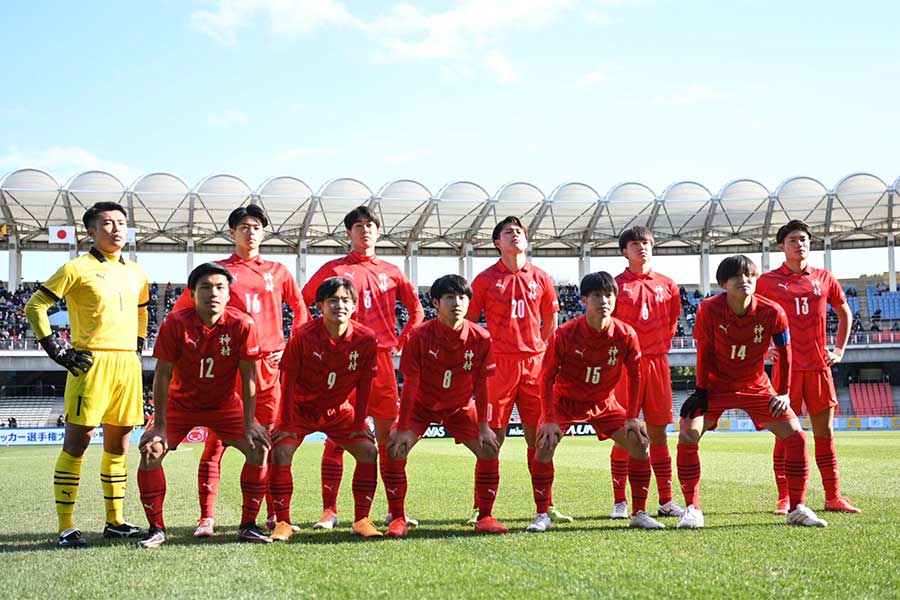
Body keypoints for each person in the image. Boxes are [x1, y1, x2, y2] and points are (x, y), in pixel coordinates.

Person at [172, 204, 308, 536]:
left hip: (269, 371)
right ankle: (206, 517)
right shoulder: (218, 275)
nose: (251, 231)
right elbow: (181, 313)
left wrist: (289, 348)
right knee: (215, 444)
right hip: (228, 370)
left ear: (264, 232)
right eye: (244, 226)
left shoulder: (278, 271)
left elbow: (301, 310)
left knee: (270, 443)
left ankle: (275, 516)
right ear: (232, 233)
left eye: (256, 226)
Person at [25, 201, 150, 547]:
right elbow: (34, 305)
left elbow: (142, 311)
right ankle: (66, 526)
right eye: (107, 223)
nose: (116, 229)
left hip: (127, 364)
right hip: (90, 364)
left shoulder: (137, 272)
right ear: (91, 231)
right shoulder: (75, 268)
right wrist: (56, 349)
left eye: (121, 222)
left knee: (119, 446)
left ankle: (116, 521)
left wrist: (138, 344)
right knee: (77, 444)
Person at [676, 255, 828, 529]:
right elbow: (704, 352)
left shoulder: (773, 312)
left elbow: (785, 351)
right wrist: (700, 390)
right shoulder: (708, 309)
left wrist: (782, 392)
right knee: (688, 433)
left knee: (796, 436)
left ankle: (797, 508)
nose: (744, 281)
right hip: (716, 386)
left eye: (749, 276)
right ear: (723, 283)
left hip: (756, 385)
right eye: (736, 277)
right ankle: (692, 509)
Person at [301, 206, 424, 529]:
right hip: (341, 362)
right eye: (358, 226)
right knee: (338, 437)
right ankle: (330, 512)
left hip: (381, 360)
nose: (365, 230)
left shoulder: (393, 271)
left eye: (370, 225)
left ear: (378, 231)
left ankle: (396, 510)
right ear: (348, 233)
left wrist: (402, 339)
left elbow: (417, 310)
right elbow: (303, 300)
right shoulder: (334, 269)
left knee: (389, 440)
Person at [136, 263, 272, 548]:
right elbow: (161, 376)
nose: (213, 293)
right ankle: (156, 528)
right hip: (180, 405)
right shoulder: (175, 322)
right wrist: (159, 424)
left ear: (228, 293)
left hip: (224, 405)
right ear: (193, 293)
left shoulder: (243, 324)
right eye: (205, 287)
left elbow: (249, 378)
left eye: (220, 287)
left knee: (259, 447)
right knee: (151, 451)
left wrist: (250, 421)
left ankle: (248, 525)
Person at [528, 271, 665, 532]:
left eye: (609, 295)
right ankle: (542, 514)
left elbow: (636, 375)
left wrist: (633, 416)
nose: (604, 300)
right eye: (597, 295)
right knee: (543, 446)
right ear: (584, 300)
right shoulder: (565, 334)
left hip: (604, 402)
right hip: (565, 402)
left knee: (640, 443)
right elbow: (544, 379)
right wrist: (548, 417)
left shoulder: (625, 334)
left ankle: (638, 512)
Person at [384, 274, 508, 537]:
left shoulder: (481, 337)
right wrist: (404, 426)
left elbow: (483, 385)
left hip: (460, 407)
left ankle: (485, 516)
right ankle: (397, 518)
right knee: (394, 448)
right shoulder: (418, 336)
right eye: (450, 297)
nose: (457, 303)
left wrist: (484, 427)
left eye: (462, 297)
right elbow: (409, 386)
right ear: (436, 302)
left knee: (489, 449)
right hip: (421, 406)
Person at [465, 216, 568, 525]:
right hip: (498, 366)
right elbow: (469, 322)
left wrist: (539, 347)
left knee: (540, 437)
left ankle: (545, 505)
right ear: (498, 243)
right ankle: (482, 508)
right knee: (492, 438)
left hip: (535, 364)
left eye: (519, 232)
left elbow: (551, 320)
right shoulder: (484, 279)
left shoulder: (541, 277)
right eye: (508, 232)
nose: (515, 236)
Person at [756, 220, 860, 514]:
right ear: (781, 246)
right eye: (792, 240)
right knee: (784, 434)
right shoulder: (767, 281)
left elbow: (844, 313)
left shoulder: (824, 278)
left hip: (818, 367)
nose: (799, 244)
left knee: (824, 432)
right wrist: (764, 349)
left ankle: (833, 496)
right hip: (785, 371)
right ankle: (785, 498)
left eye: (803, 239)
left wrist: (838, 349)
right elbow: (753, 315)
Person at [268, 277, 382, 540]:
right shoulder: (303, 335)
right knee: (281, 451)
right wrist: (285, 423)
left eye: (345, 300)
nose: (339, 305)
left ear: (354, 306)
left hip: (339, 411)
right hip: (300, 410)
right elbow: (287, 381)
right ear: (320, 305)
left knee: (367, 450)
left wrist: (359, 423)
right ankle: (283, 522)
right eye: (332, 300)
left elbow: (365, 384)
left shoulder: (366, 339)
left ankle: (362, 519)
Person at [608, 226, 684, 520]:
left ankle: (666, 500)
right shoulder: (615, 286)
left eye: (647, 243)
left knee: (659, 435)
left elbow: (673, 322)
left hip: (657, 364)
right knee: (624, 435)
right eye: (635, 244)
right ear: (623, 251)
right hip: (624, 367)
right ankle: (620, 502)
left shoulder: (668, 284)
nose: (642, 247)